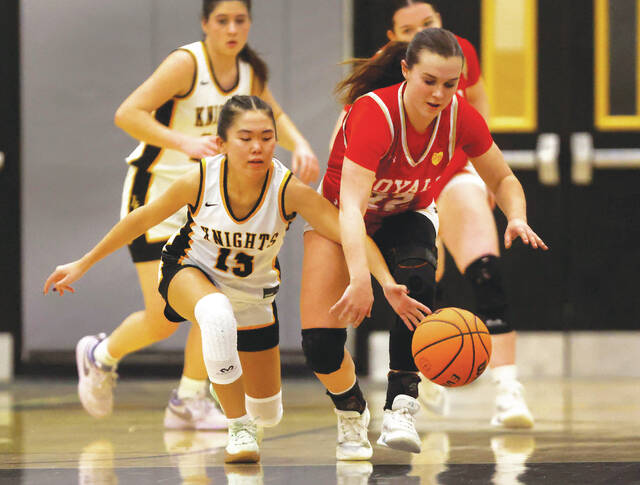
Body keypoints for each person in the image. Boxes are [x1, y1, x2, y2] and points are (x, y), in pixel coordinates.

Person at [45, 95, 428, 463]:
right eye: (245, 138)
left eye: (266, 138)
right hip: (187, 271)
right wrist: (83, 262)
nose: (257, 147)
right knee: (215, 315)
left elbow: (350, 232)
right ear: (223, 142)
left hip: (255, 297)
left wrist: (385, 282)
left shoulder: (288, 189)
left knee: (267, 411)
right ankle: (236, 426)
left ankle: (254, 417)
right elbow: (141, 219)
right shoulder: (200, 179)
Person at [300, 28, 547, 461]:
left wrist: (517, 216)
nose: (439, 93)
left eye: (450, 84)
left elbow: (503, 178)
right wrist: (362, 278)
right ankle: (351, 413)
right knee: (320, 344)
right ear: (405, 71)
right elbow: (352, 210)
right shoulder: (374, 113)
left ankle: (401, 405)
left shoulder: (461, 117)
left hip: (405, 215)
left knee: (417, 281)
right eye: (429, 81)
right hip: (342, 217)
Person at [74, 0, 320, 430]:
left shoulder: (249, 71)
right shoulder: (186, 64)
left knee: (216, 301)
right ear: (205, 24)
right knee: (162, 318)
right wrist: (183, 143)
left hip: (211, 202)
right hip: (159, 190)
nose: (231, 28)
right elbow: (127, 113)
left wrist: (299, 143)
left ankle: (189, 397)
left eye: (240, 20)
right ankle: (100, 355)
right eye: (221, 20)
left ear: (249, 25)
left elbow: (273, 112)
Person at [382, 0, 534, 428]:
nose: (420, 33)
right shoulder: (379, 76)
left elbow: (479, 104)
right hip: (404, 190)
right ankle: (429, 375)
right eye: (408, 29)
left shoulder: (458, 54)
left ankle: (507, 389)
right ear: (395, 42)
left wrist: (483, 167)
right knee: (424, 286)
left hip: (452, 173)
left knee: (486, 271)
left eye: (427, 24)